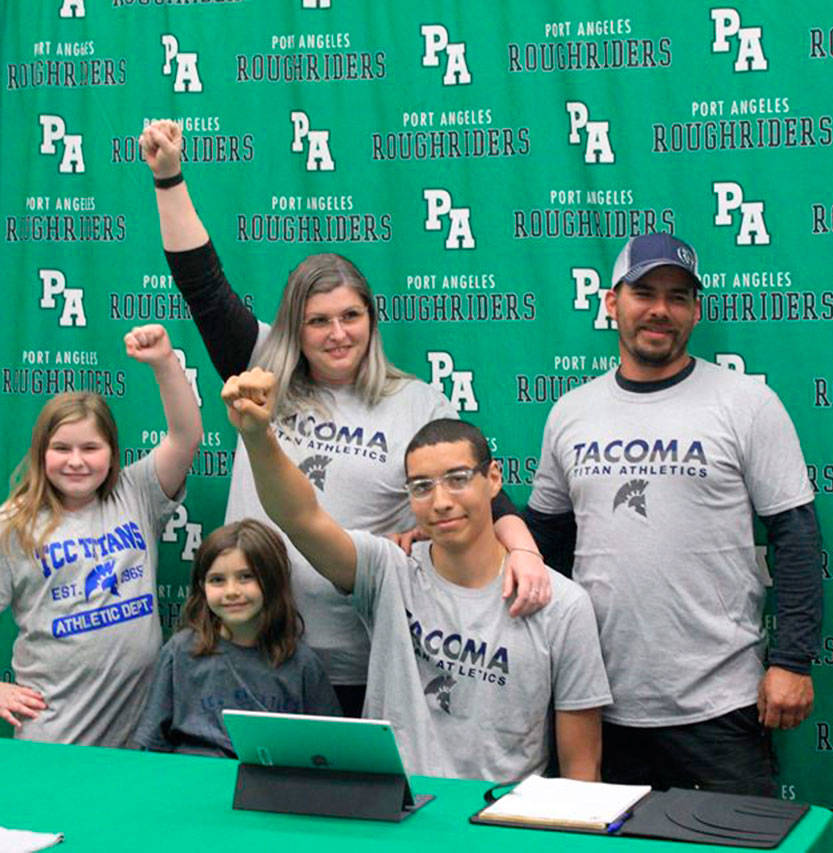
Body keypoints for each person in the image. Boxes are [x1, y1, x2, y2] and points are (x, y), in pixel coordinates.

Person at [138, 119, 549, 716]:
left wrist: (527, 557)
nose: (337, 334)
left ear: (372, 320)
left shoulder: (417, 404)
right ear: (293, 329)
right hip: (255, 649)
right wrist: (169, 176)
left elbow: (491, 502)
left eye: (351, 316)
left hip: (364, 661)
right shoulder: (260, 372)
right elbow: (201, 282)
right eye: (318, 321)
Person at [524, 231, 823, 795]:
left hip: (722, 706)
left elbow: (796, 535)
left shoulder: (746, 403)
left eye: (679, 296)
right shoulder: (571, 413)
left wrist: (793, 660)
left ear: (695, 310)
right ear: (611, 302)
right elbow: (541, 541)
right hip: (598, 705)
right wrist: (447, 540)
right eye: (645, 292)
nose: (661, 310)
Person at [220, 367, 611, 782]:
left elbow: (581, 771)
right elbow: (301, 517)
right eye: (422, 487)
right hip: (391, 812)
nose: (440, 501)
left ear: (493, 479)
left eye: (457, 480)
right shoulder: (388, 570)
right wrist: (259, 438)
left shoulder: (562, 606)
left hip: (498, 824)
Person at [0, 325, 203, 747]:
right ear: (42, 453)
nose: (76, 461)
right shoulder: (11, 526)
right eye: (62, 448)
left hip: (141, 729)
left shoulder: (136, 493)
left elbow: (186, 438)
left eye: (91, 448)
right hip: (59, 733)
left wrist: (165, 362)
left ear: (112, 454)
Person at [132, 519, 341, 755]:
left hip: (268, 784)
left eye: (246, 577)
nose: (232, 591)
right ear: (202, 586)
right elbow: (152, 744)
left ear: (272, 580)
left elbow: (328, 751)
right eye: (217, 580)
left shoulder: (302, 664)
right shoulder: (179, 652)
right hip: (194, 783)